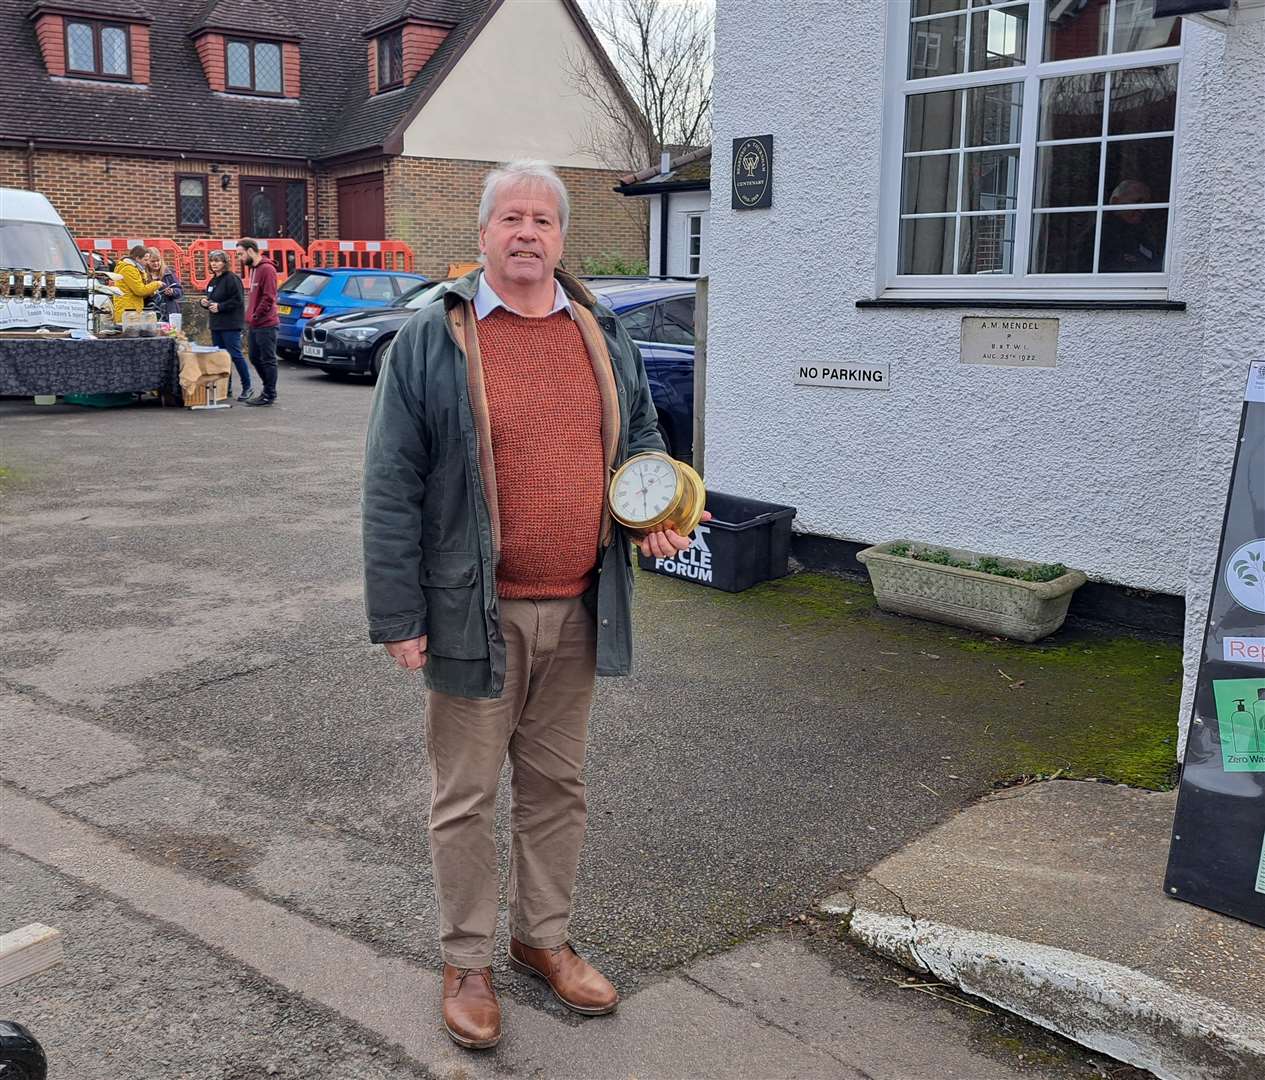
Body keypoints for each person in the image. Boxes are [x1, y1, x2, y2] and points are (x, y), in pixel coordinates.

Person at [362, 160, 707, 1051]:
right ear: (480, 237)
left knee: (558, 788)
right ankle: (468, 958)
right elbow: (390, 484)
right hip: (472, 612)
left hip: (581, 605)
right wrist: (399, 614)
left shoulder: (598, 331)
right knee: (467, 795)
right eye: (510, 218)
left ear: (560, 237)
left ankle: (540, 940)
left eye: (542, 220)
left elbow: (639, 438)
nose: (526, 233)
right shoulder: (432, 341)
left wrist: (653, 515)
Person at [199, 250, 251, 401]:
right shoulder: (213, 280)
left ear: (225, 263)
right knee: (221, 358)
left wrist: (220, 307)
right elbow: (211, 300)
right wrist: (204, 303)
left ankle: (247, 387)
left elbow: (238, 300)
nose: (214, 264)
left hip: (230, 324)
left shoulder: (232, 279)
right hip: (216, 325)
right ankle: (224, 388)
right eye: (212, 261)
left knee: (235, 355)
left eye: (218, 261)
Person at [236, 238, 279, 406]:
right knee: (254, 357)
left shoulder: (267, 269)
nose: (240, 258)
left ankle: (269, 393)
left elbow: (269, 296)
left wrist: (255, 315)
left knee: (268, 359)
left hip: (266, 323)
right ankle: (267, 389)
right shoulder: (254, 269)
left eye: (241, 254)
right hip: (255, 323)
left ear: (251, 251)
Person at [1099, 179, 1164, 273]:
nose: (1143, 209)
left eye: (1146, 204)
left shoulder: (1144, 233)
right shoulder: (1101, 235)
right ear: (1115, 202)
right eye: (1137, 202)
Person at [111, 243, 162, 325]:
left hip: (132, 310)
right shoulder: (129, 269)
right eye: (145, 260)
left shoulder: (135, 268)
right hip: (128, 311)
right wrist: (156, 284)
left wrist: (150, 292)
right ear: (137, 258)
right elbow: (140, 290)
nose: (147, 262)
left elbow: (138, 292)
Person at [145, 247, 184, 331]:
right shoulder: (143, 274)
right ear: (147, 261)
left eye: (158, 260)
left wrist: (172, 291)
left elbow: (180, 291)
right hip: (151, 312)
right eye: (152, 261)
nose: (156, 263)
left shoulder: (168, 273)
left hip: (169, 311)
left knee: (172, 336)